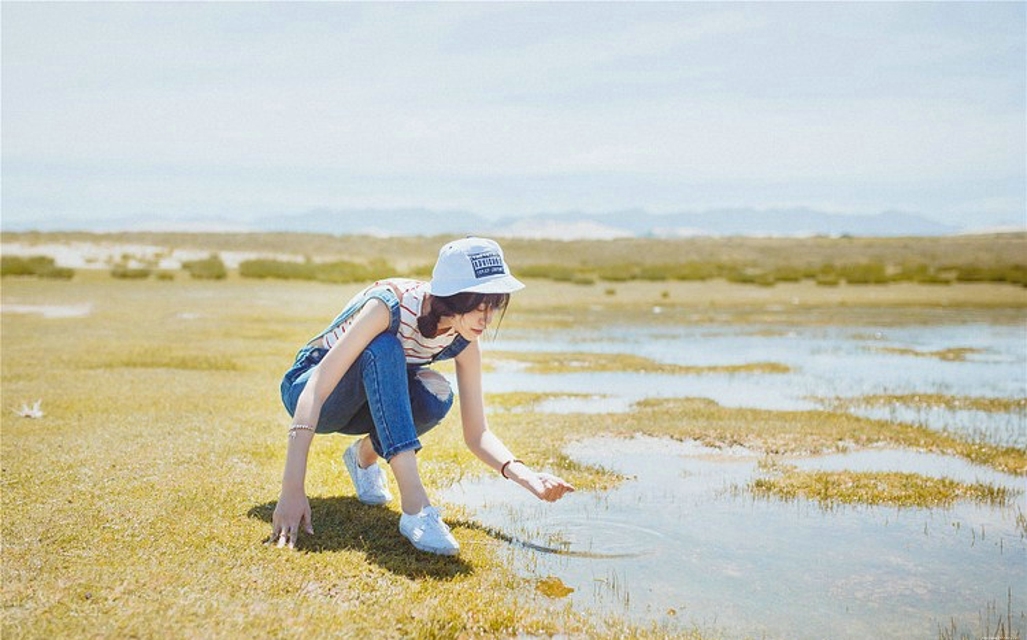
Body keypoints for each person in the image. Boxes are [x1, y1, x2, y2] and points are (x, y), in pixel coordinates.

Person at [271, 237, 575, 555]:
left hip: (368, 398)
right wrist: (292, 489)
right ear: (454, 297)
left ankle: (363, 458)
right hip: (314, 393)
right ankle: (416, 509)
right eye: (479, 305)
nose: (487, 319)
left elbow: (478, 434)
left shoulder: (464, 339)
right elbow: (317, 387)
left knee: (436, 395)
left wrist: (527, 477)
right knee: (385, 347)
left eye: (494, 305)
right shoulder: (389, 307)